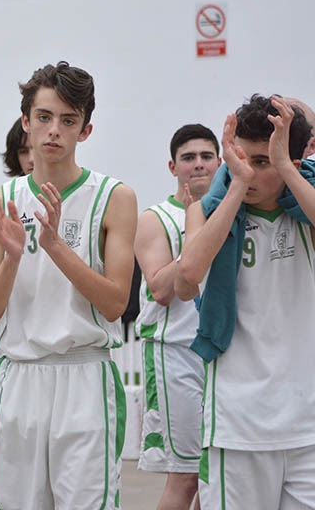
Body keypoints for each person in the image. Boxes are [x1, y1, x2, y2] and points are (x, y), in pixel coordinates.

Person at [0, 61, 137, 509]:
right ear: (26, 122)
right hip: (19, 377)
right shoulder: (0, 202)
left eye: (68, 120)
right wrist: (12, 258)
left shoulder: (115, 197)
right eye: (44, 117)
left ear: (85, 130)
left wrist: (54, 246)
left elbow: (115, 304)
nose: (54, 131)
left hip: (85, 377)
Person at [175, 95, 315, 509]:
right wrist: (236, 187)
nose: (247, 170)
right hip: (237, 425)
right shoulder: (207, 210)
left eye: (261, 161)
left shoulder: (304, 212)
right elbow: (187, 278)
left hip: (306, 427)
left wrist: (285, 167)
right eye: (240, 158)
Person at [134, 124, 221, 509]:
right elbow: (161, 289)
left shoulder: (229, 211)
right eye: (188, 157)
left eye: (206, 156)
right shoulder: (156, 217)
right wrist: (194, 236)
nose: (198, 164)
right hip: (174, 353)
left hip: (221, 355)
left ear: (220, 162)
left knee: (215, 473)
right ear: (173, 167)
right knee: (185, 476)